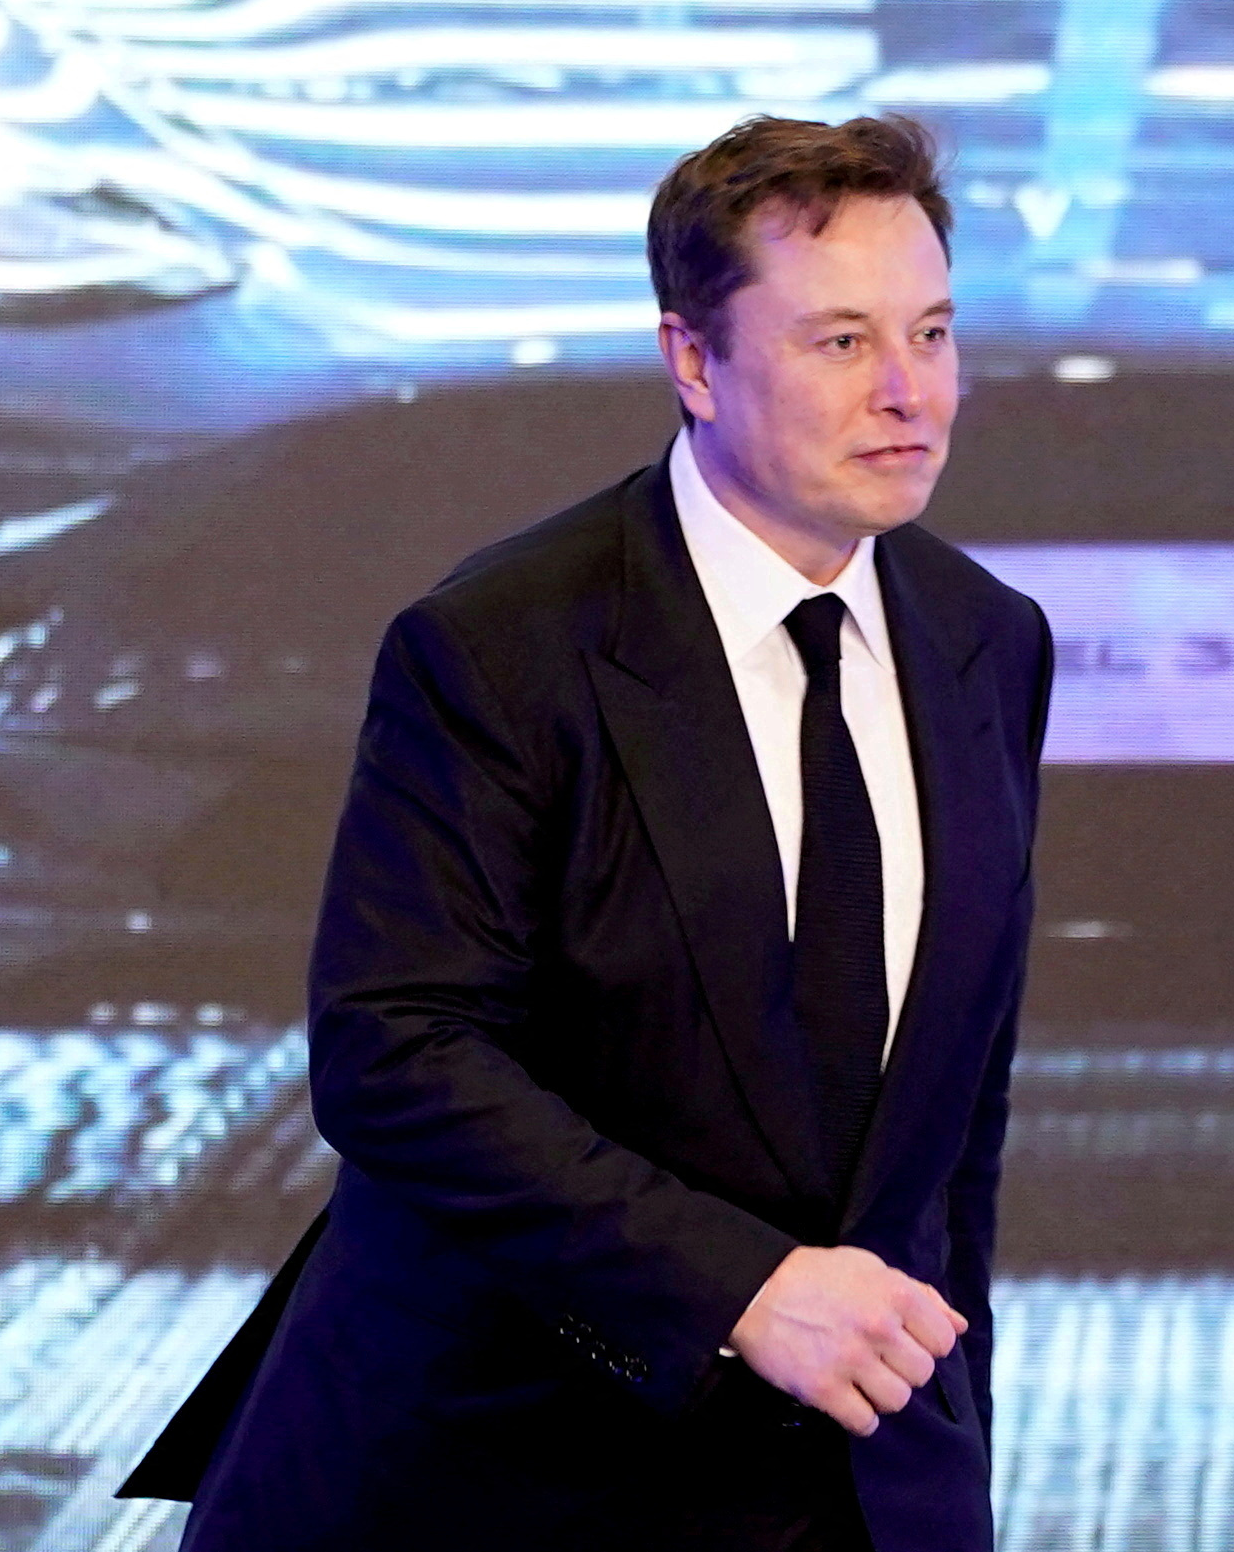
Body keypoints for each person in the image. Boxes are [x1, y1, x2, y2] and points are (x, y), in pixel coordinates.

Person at [134, 112, 1052, 1551]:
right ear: (693, 359)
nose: (908, 392)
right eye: (839, 343)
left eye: (932, 334)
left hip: (859, 1490)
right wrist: (741, 1287)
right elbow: (398, 1051)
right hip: (507, 1474)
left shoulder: (986, 642)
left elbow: (953, 1125)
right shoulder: (500, 642)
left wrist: (946, 1463)